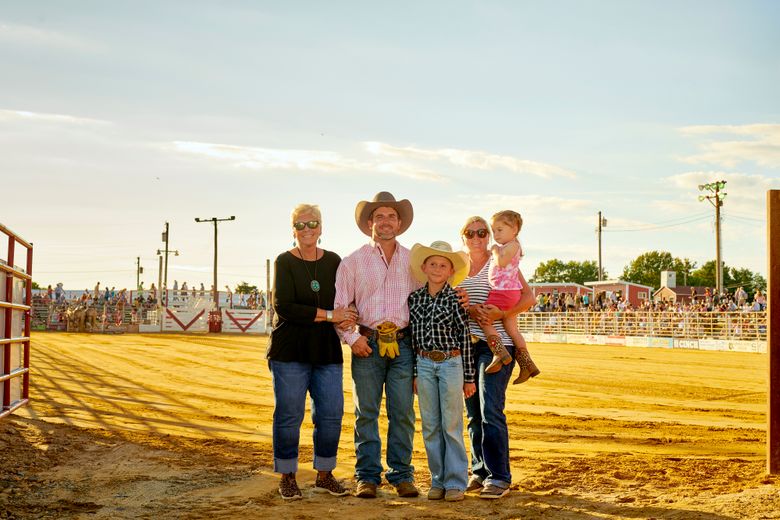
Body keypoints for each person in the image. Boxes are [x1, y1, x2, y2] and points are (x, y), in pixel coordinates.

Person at [266, 203, 357, 500]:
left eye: (313, 223)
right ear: (293, 230)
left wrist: (349, 314)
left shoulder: (334, 261)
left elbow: (346, 299)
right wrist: (331, 315)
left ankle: (324, 474)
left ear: (321, 227)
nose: (308, 229)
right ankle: (288, 476)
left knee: (331, 414)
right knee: (289, 414)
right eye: (301, 225)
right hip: (290, 350)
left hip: (326, 350)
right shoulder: (284, 261)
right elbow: (285, 307)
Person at [334, 191, 421, 499]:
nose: (386, 222)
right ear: (369, 222)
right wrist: (352, 337)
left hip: (403, 343)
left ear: (399, 223)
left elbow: (424, 303)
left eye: (392, 216)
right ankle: (367, 476)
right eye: (380, 216)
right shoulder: (352, 262)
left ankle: (402, 474)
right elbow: (341, 307)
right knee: (366, 412)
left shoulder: (414, 261)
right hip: (367, 343)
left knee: (403, 412)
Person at [457, 216, 535, 499]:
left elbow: (529, 298)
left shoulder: (500, 261)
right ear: (462, 236)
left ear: (489, 236)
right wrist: (468, 309)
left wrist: (502, 314)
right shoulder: (455, 267)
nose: (476, 237)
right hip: (467, 346)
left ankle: (499, 476)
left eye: (482, 232)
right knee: (473, 413)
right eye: (470, 232)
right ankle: (480, 470)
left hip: (497, 345)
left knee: (490, 407)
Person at [408, 240, 473, 502]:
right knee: (431, 425)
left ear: (450, 271)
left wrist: (469, 377)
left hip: (451, 362)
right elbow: (412, 339)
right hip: (424, 363)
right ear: (424, 267)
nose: (437, 268)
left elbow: (465, 337)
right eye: (432, 263)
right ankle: (438, 480)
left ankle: (456, 481)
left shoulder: (457, 298)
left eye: (442, 265)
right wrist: (414, 371)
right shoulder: (414, 299)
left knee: (452, 423)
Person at [478, 210, 540, 384]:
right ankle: (527, 364)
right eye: (494, 230)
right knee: (512, 329)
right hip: (509, 291)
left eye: (500, 230)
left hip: (503, 291)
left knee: (484, 318)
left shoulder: (511, 245)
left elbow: (501, 262)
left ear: (514, 229)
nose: (496, 235)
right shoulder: (511, 245)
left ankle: (499, 353)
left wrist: (496, 251)